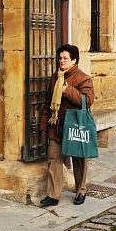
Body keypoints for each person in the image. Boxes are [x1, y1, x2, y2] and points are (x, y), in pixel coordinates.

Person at [38, 44, 95, 208]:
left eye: (65, 58)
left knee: (78, 159)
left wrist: (67, 90)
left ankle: (81, 191)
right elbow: (48, 102)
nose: (61, 61)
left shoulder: (83, 78)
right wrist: (44, 123)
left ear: (74, 60)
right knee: (53, 158)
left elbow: (88, 100)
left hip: (75, 125)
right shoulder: (55, 77)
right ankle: (53, 195)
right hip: (56, 124)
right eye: (60, 58)